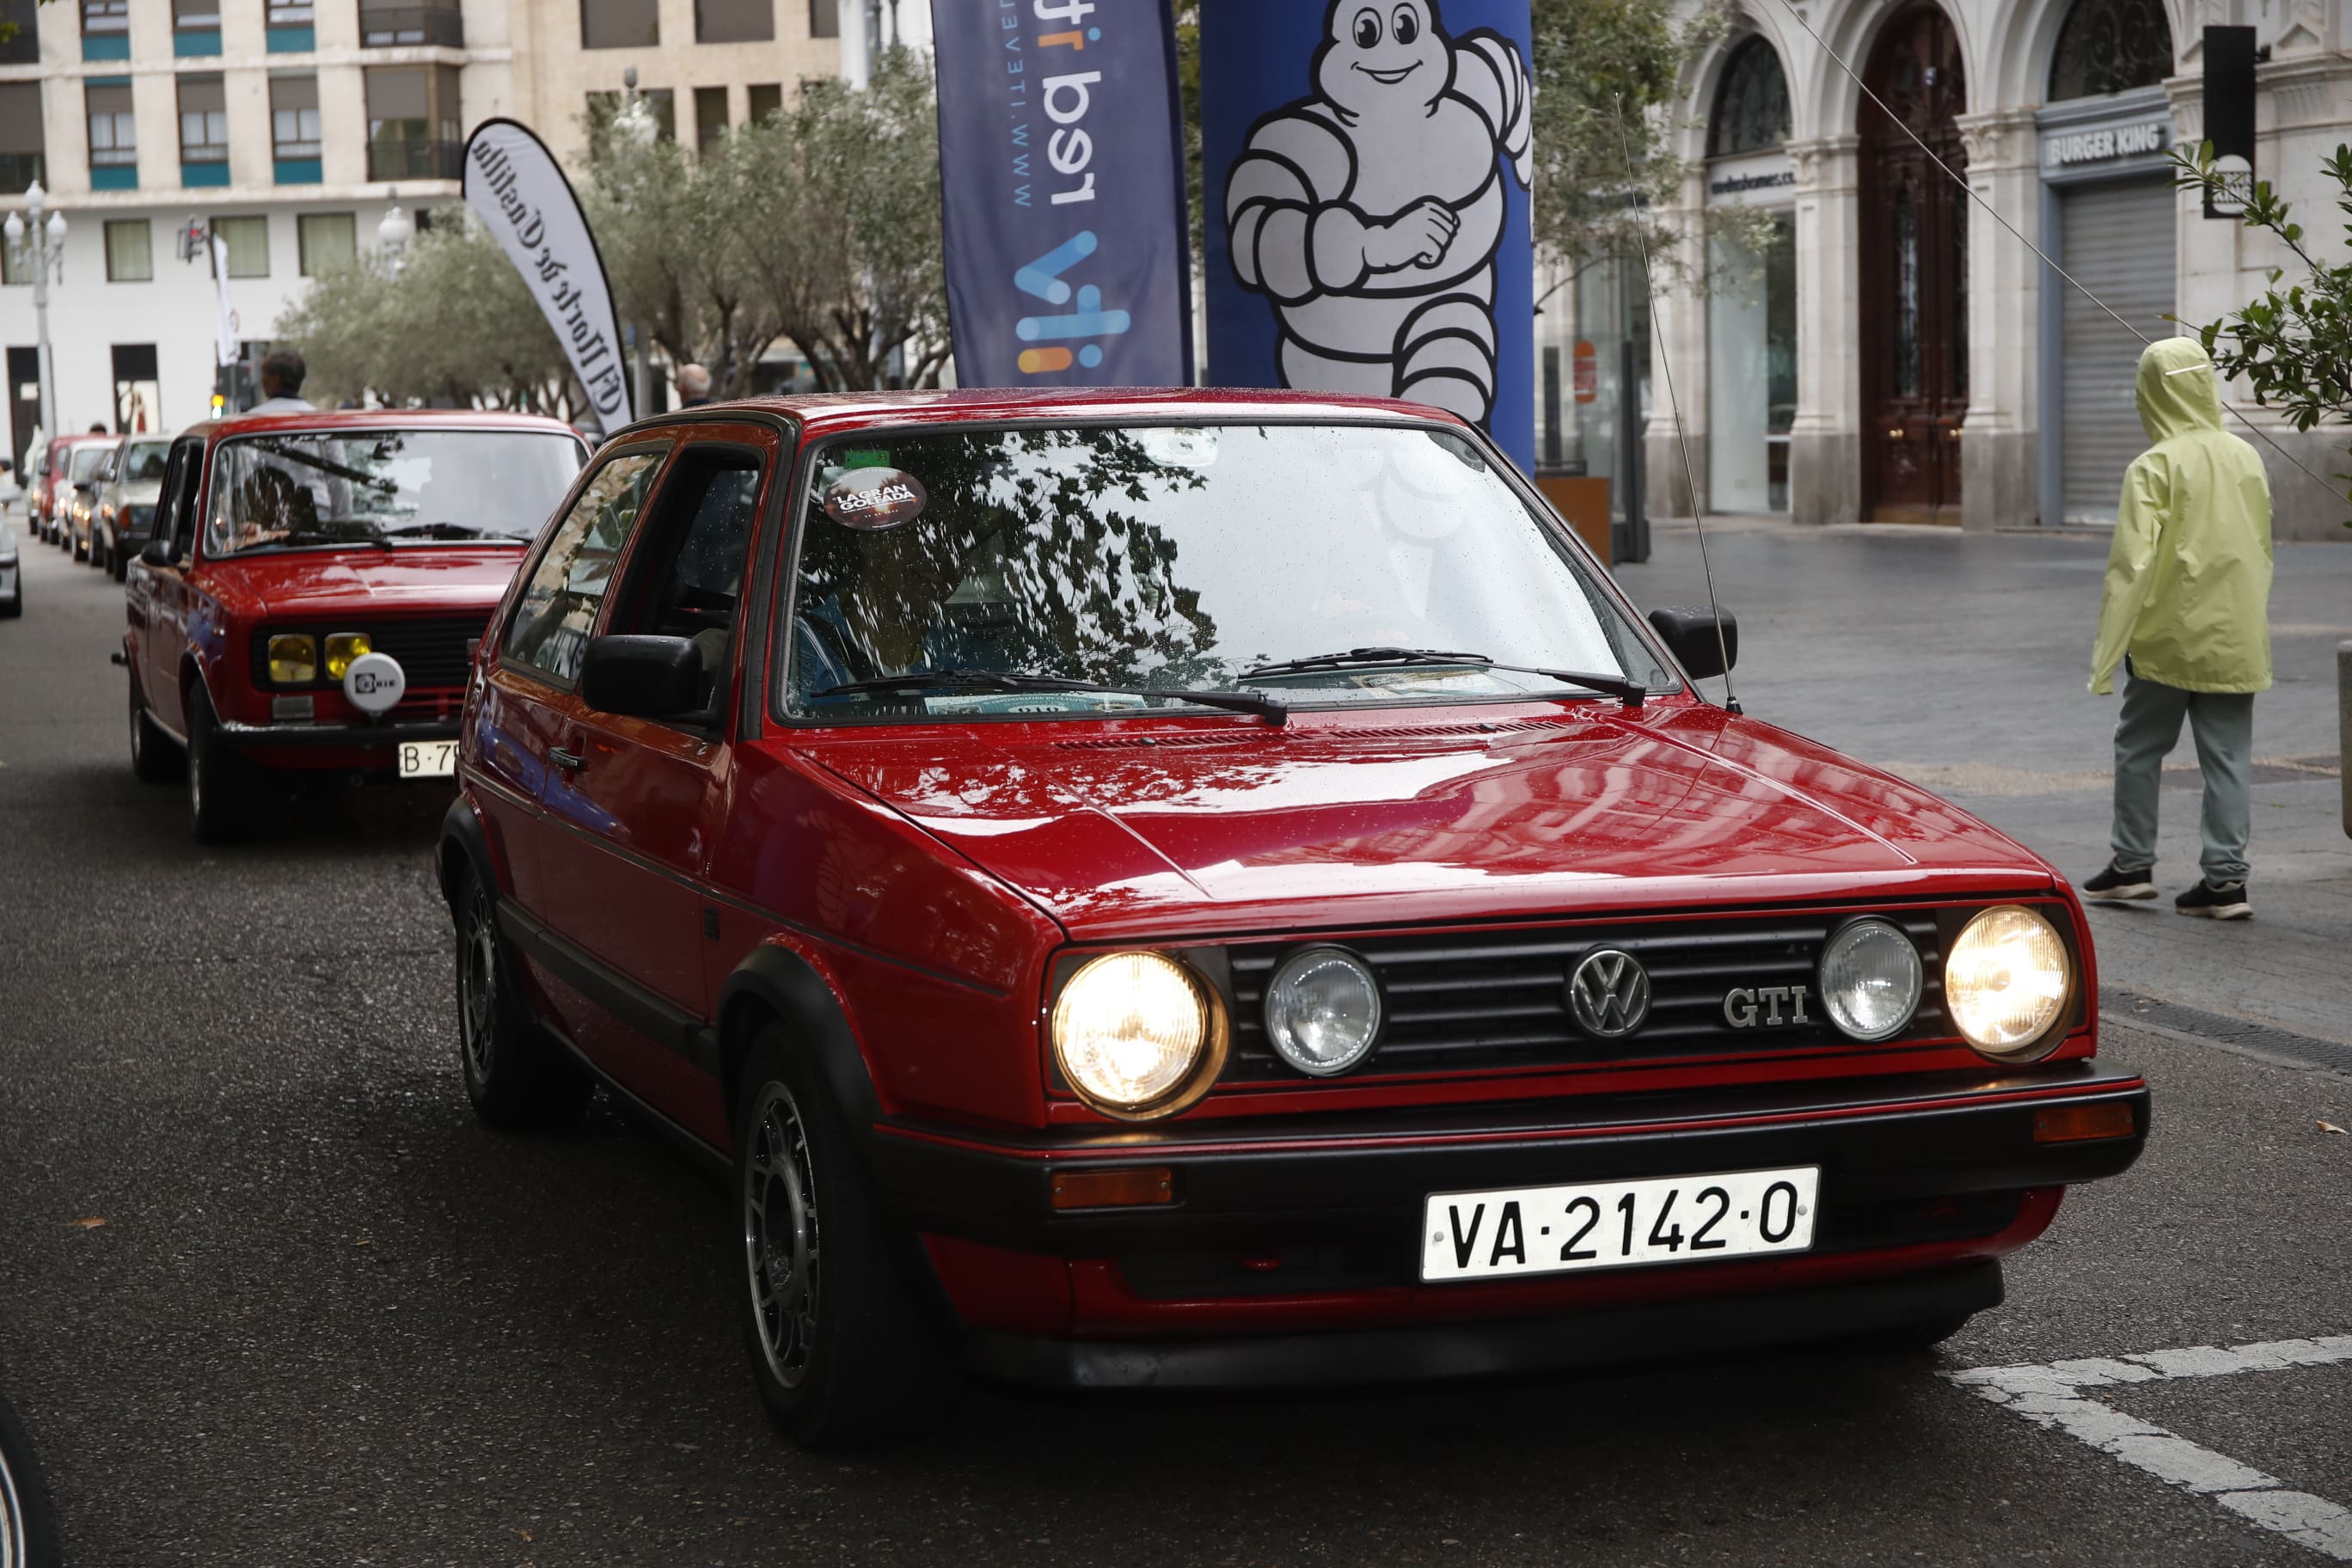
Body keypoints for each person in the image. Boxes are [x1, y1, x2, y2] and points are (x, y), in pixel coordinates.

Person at [2082, 337, 2273, 921]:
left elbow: (2131, 567)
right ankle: (2225, 883)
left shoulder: (2155, 465)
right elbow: (2261, 546)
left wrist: (2106, 655)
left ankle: (2132, 865)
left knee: (2139, 747)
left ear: (2152, 394)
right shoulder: (2246, 456)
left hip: (2167, 638)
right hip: (2235, 636)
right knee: (2229, 758)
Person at [250, 351, 315, 414]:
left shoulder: (253, 417)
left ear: (276, 379)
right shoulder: (315, 417)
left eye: (264, 374)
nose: (262, 380)